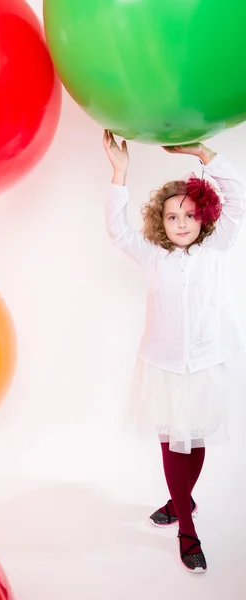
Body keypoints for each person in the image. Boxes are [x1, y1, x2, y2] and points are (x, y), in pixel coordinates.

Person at [103, 129, 246, 573]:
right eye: (170, 217)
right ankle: (187, 526)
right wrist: (120, 172)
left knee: (195, 439)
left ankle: (179, 500)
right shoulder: (153, 255)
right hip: (163, 365)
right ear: (159, 224)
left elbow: (239, 197)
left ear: (203, 217)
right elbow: (116, 230)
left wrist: (204, 155)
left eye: (188, 214)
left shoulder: (217, 249)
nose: (181, 223)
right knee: (172, 443)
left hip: (204, 362)